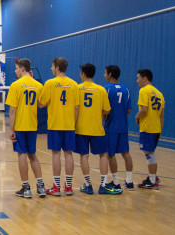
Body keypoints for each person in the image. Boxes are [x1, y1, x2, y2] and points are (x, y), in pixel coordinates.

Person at [74, 64, 122, 195]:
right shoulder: (101, 90)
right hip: (97, 128)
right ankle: (103, 184)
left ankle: (88, 184)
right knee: (104, 155)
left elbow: (75, 108)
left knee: (84, 155)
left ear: (83, 73)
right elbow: (107, 110)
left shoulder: (77, 88)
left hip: (81, 128)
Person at [39, 57, 79, 197]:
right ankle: (68, 187)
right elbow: (76, 108)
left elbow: (41, 103)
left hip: (55, 124)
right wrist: (73, 124)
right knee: (69, 154)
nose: (51, 68)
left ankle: (56, 186)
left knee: (56, 154)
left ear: (56, 67)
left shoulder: (50, 83)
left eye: (52, 66)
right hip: (69, 125)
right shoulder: (74, 84)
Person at [6, 59, 46, 198]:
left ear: (22, 69)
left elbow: (12, 110)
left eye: (16, 68)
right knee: (33, 155)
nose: (15, 71)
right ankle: (41, 187)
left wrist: (11, 130)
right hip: (32, 125)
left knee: (21, 154)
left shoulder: (16, 85)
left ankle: (26, 187)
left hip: (20, 126)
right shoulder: (38, 85)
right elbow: (41, 105)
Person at [104, 65, 134, 190]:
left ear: (110, 74)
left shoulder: (107, 89)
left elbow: (104, 110)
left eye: (105, 73)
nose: (104, 75)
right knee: (125, 153)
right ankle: (130, 181)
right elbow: (129, 110)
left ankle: (115, 182)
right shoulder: (126, 89)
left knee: (111, 154)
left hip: (111, 127)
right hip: (123, 126)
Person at [135, 69, 164, 190]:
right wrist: (160, 130)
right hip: (156, 127)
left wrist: (137, 116)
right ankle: (153, 177)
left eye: (138, 78)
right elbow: (162, 115)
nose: (137, 81)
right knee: (150, 153)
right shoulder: (159, 93)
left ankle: (152, 181)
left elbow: (144, 109)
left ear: (145, 78)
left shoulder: (144, 90)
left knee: (149, 154)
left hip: (147, 127)